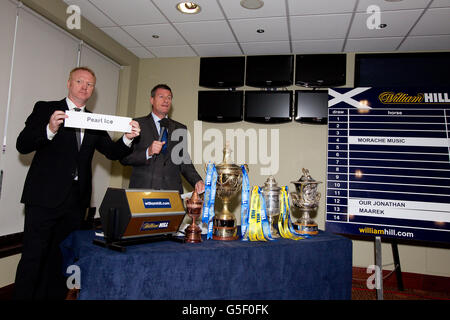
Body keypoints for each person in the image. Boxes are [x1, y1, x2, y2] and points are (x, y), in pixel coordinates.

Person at [14, 66, 141, 300]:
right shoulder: (46, 108)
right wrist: (49, 129)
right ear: (69, 83)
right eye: (80, 81)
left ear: (93, 90)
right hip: (43, 199)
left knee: (60, 259)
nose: (85, 87)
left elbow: (112, 152)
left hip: (75, 203)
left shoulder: (93, 120)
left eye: (90, 84)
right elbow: (22, 144)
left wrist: (127, 138)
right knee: (33, 257)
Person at [120, 84, 204, 195]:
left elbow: (183, 160)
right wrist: (147, 152)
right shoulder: (137, 124)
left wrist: (197, 180)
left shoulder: (179, 128)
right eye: (161, 97)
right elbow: (124, 158)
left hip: (172, 192)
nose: (166, 101)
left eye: (169, 98)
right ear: (152, 100)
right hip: (143, 191)